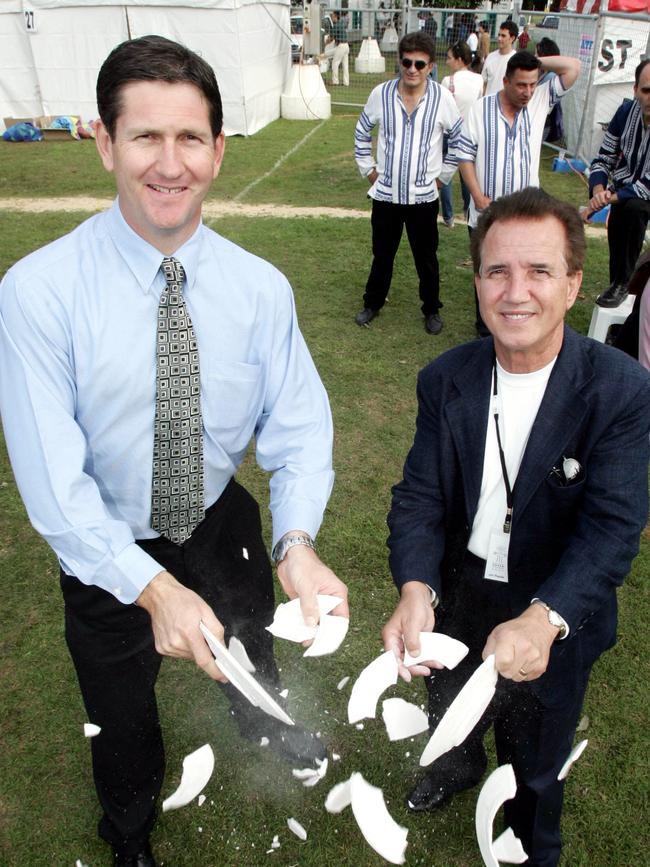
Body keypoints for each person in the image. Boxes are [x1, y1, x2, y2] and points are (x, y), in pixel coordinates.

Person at [0, 35, 349, 867]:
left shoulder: (260, 288)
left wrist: (296, 543)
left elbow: (298, 424)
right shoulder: (38, 293)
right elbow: (54, 482)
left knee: (249, 641)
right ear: (104, 141)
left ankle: (268, 726)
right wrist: (150, 589)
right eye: (146, 136)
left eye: (190, 137)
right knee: (120, 710)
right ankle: (128, 828)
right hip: (106, 543)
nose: (170, 163)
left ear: (219, 150)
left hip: (217, 510)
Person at [382, 187, 650, 867]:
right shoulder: (445, 377)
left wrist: (546, 617)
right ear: (476, 281)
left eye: (538, 271)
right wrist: (416, 586)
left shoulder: (620, 389)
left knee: (536, 753)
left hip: (551, 602)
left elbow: (613, 526)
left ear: (573, 284)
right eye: (497, 271)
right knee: (451, 702)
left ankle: (532, 839)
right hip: (459, 589)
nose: (515, 292)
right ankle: (455, 766)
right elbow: (418, 497)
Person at [455, 50, 580, 335]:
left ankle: (523, 327)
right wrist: (476, 194)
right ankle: (485, 332)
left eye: (532, 84)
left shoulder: (541, 100)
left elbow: (573, 67)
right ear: (505, 81)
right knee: (489, 274)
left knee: (526, 273)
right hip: (487, 215)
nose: (527, 91)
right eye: (521, 85)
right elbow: (464, 155)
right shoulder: (481, 109)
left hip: (528, 218)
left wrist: (538, 62)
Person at [353, 31, 462, 335]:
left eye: (419, 63)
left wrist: (442, 178)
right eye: (406, 62)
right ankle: (372, 303)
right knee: (382, 254)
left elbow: (459, 140)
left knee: (426, 258)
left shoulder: (443, 98)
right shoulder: (381, 94)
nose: (412, 69)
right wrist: (370, 171)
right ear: (399, 62)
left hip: (423, 199)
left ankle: (431, 309)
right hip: (386, 196)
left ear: (430, 66)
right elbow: (362, 133)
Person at [585, 59, 650, 308]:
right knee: (624, 207)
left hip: (642, 194)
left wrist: (606, 199)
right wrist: (598, 189)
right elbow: (603, 158)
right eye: (646, 91)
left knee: (633, 207)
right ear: (635, 90)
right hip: (627, 191)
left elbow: (647, 186)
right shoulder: (624, 113)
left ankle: (624, 284)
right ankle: (619, 284)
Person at [439, 41, 483, 227]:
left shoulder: (448, 82)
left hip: (450, 133)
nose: (447, 62)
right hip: (471, 134)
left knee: (446, 173)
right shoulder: (479, 80)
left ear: (458, 59)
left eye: (449, 58)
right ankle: (468, 212)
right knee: (468, 175)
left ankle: (448, 217)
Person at [536, 37, 564, 143]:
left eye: (537, 55)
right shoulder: (544, 74)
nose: (536, 58)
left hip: (543, 123)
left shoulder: (551, 77)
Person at [482, 20, 518, 95]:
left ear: (512, 38)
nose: (499, 38)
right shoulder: (490, 57)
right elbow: (484, 83)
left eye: (503, 36)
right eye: (499, 35)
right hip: (488, 103)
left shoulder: (517, 60)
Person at [330, 10, 350, 87]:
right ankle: (346, 82)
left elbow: (331, 38)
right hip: (346, 45)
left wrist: (326, 42)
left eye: (332, 16)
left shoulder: (336, 25)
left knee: (335, 63)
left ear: (335, 17)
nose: (332, 17)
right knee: (345, 65)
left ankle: (335, 81)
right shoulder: (341, 24)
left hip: (341, 46)